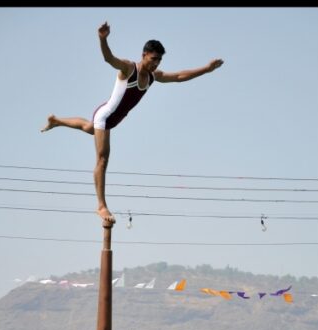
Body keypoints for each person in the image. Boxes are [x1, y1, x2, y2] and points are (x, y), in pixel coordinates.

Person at [41, 21, 224, 224]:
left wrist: (206, 69)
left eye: (160, 60)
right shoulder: (129, 68)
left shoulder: (155, 76)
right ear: (144, 54)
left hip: (116, 118)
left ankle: (56, 120)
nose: (156, 64)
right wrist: (102, 39)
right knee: (102, 159)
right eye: (154, 59)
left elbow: (180, 76)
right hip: (106, 116)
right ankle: (101, 206)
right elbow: (109, 59)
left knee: (87, 127)